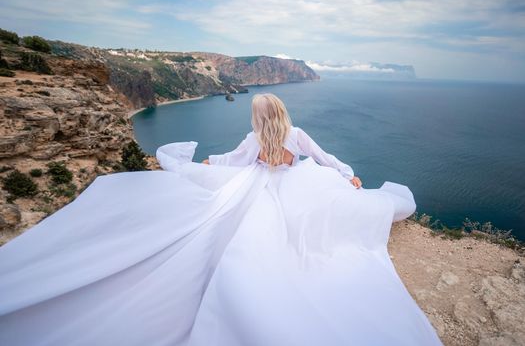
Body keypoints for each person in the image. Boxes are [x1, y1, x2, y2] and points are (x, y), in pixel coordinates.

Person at [0, 93, 443, 346]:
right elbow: (326, 161)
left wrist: (207, 163)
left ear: (258, 117)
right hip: (299, 186)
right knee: (326, 224)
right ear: (283, 114)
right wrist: (348, 177)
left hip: (259, 188)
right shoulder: (298, 134)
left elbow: (234, 159)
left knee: (245, 234)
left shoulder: (255, 136)